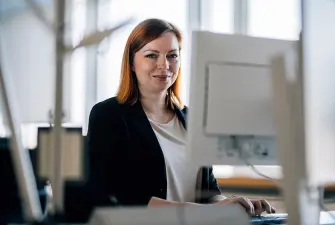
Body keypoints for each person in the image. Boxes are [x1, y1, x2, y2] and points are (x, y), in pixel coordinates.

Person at [87, 18, 275, 217]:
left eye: (172, 56)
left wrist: (233, 204)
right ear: (132, 63)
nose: (164, 65)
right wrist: (206, 212)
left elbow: (208, 193)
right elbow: (120, 197)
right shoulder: (108, 115)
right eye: (151, 55)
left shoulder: (193, 118)